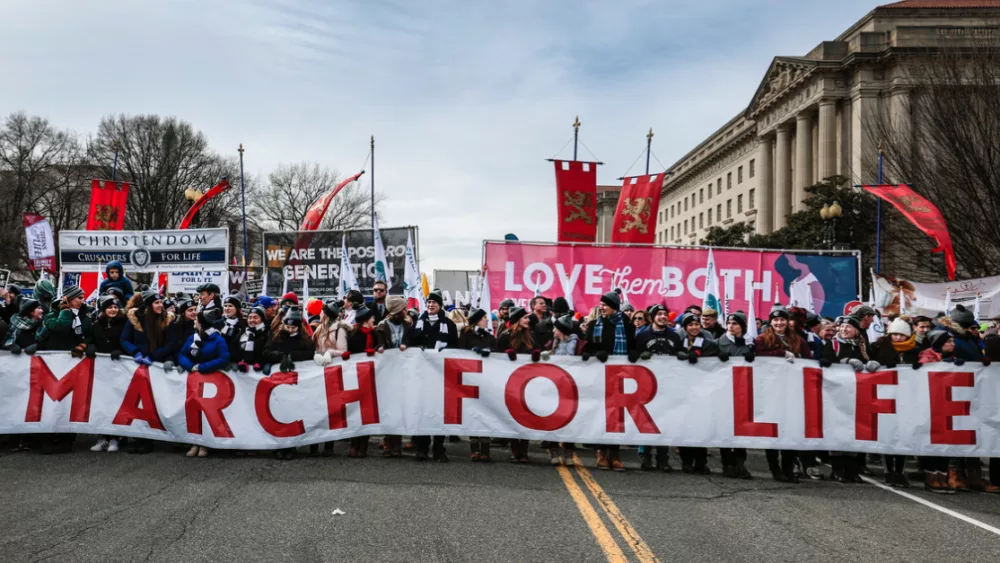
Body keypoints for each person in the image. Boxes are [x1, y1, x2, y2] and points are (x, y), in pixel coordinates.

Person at [819, 316, 880, 484]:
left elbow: (872, 362)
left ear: (856, 331)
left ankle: (852, 470)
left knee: (855, 430)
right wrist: (844, 362)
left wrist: (873, 364)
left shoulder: (863, 347)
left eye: (849, 327)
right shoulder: (833, 344)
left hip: (857, 395)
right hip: (837, 394)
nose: (845, 329)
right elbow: (824, 362)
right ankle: (837, 470)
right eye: (842, 326)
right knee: (838, 430)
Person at [754, 304, 811, 482]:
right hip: (771, 390)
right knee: (772, 431)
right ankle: (775, 468)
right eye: (776, 320)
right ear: (771, 322)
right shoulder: (762, 339)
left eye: (782, 320)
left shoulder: (798, 340)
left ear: (788, 322)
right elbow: (758, 356)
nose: (779, 323)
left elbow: (809, 359)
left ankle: (788, 468)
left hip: (792, 390)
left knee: (790, 430)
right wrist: (780, 353)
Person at [583, 291, 635, 471]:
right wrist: (596, 353)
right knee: (601, 414)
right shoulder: (594, 325)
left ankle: (615, 454)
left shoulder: (627, 325)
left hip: (620, 376)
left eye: (605, 305)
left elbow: (633, 344)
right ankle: (601, 452)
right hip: (599, 377)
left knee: (617, 416)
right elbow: (587, 349)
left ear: (614, 307)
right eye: (600, 304)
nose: (601, 307)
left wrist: (634, 352)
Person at [120, 290, 175, 454]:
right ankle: (138, 437)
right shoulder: (134, 319)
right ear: (148, 305)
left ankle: (151, 439)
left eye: (161, 303)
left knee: (153, 402)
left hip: (156, 366)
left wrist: (153, 356)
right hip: (137, 367)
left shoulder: (166, 320)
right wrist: (135, 352)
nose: (160, 305)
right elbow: (124, 339)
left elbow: (172, 343)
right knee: (138, 403)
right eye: (156, 303)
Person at [872, 318, 920, 488]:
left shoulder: (915, 350)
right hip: (886, 396)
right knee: (887, 433)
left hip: (907, 398)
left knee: (903, 435)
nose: (897, 338)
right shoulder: (879, 347)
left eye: (901, 334)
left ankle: (900, 470)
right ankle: (888, 471)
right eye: (894, 334)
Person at [265, 306, 316, 460]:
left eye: (293, 327)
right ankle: (279, 446)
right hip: (278, 382)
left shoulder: (304, 339)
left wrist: (294, 355)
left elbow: (311, 354)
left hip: (295, 382)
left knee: (293, 414)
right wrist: (280, 356)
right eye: (288, 326)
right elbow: (266, 352)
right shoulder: (277, 336)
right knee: (278, 414)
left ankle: (291, 446)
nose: (291, 329)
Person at [633, 305, 680, 472]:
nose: (662, 317)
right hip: (647, 385)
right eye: (659, 314)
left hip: (667, 385)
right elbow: (633, 357)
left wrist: (682, 356)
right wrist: (639, 357)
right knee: (647, 421)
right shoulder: (642, 336)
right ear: (653, 317)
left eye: (664, 314)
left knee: (664, 422)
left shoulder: (674, 336)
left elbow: (681, 357)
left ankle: (663, 458)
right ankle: (646, 456)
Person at [178, 308, 230, 458]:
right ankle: (195, 442)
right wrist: (190, 366)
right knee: (194, 411)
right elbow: (182, 354)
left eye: (196, 320)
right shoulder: (192, 338)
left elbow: (223, 358)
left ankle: (206, 443)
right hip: (194, 381)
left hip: (210, 381)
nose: (194, 321)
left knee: (207, 412)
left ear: (201, 324)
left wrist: (202, 367)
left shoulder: (217, 339)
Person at [674, 312, 721, 473]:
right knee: (685, 426)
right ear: (685, 327)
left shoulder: (708, 343)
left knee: (701, 426)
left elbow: (715, 358)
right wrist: (679, 356)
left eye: (696, 325)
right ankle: (686, 461)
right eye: (690, 325)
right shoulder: (679, 342)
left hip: (702, 392)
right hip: (684, 391)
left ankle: (701, 462)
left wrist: (701, 356)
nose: (694, 328)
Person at [715, 311, 754, 479]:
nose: (731, 326)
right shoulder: (718, 343)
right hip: (724, 391)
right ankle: (727, 463)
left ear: (742, 326)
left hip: (743, 392)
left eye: (735, 323)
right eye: (729, 323)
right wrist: (716, 355)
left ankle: (740, 463)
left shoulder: (751, 343)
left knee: (741, 428)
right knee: (725, 427)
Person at [495, 306, 536, 463]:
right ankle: (514, 449)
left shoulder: (530, 336)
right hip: (510, 382)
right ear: (517, 320)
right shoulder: (505, 337)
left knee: (526, 415)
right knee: (512, 415)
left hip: (528, 382)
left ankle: (524, 451)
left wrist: (536, 354)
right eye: (525, 317)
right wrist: (505, 356)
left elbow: (538, 349)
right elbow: (496, 355)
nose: (528, 320)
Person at [375, 296, 412, 458]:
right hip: (387, 373)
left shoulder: (407, 324)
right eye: (403, 308)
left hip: (402, 373)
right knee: (388, 409)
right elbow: (378, 344)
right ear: (397, 311)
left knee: (398, 409)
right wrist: (381, 348)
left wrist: (408, 345)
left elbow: (411, 341)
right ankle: (388, 443)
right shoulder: (382, 327)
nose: (406, 311)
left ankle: (396, 445)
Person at [236, 305, 271, 374]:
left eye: (255, 318)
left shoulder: (267, 332)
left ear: (262, 319)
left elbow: (268, 350)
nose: (252, 320)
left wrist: (262, 362)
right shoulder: (243, 332)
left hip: (260, 368)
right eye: (250, 318)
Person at [219, 296, 247, 368]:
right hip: (220, 358)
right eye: (225, 306)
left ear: (237, 309)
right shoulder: (219, 322)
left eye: (230, 306)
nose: (227, 308)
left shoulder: (243, 323)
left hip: (236, 359)